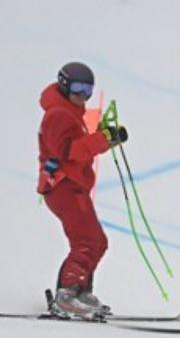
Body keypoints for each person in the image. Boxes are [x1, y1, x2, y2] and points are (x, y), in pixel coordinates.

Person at [35, 62, 128, 319]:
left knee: (97, 241)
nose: (83, 95)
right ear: (65, 86)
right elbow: (67, 151)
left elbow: (79, 146)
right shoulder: (58, 114)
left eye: (88, 90)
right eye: (78, 88)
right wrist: (103, 140)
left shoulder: (71, 112)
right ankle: (67, 296)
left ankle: (80, 291)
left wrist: (107, 138)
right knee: (87, 241)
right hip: (63, 187)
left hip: (74, 186)